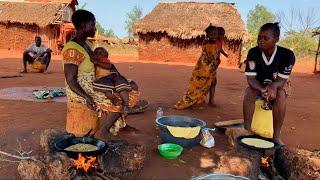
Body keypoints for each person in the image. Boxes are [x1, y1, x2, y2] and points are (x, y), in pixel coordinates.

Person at [62, 9, 139, 136]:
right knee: (120, 98)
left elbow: (98, 62)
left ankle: (121, 124)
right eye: (92, 24)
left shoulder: (85, 45)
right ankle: (104, 130)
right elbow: (70, 80)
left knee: (132, 85)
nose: (95, 28)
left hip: (96, 80)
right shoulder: (72, 49)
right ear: (82, 25)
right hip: (82, 86)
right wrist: (87, 97)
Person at [243, 22, 295, 143]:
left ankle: (276, 137)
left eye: (265, 38)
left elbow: (281, 80)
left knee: (281, 94)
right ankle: (246, 131)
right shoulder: (253, 52)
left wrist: (273, 86)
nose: (261, 40)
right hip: (259, 86)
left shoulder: (287, 55)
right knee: (248, 91)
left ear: (276, 39)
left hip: (277, 86)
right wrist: (262, 89)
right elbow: (251, 79)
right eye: (259, 37)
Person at [174, 24, 221, 109]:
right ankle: (194, 102)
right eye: (213, 33)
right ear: (208, 34)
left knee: (211, 83)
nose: (215, 35)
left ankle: (208, 100)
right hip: (205, 70)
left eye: (216, 33)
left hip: (207, 68)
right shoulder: (210, 44)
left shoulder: (210, 43)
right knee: (201, 86)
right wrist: (218, 62)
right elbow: (212, 59)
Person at [92, 47, 138, 114]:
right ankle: (114, 99)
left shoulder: (105, 61)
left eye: (101, 53)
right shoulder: (93, 63)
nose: (100, 54)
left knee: (121, 84)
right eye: (98, 53)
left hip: (114, 77)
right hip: (104, 79)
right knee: (106, 89)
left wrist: (96, 62)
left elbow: (109, 66)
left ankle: (126, 105)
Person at [208, 26, 228, 105]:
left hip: (214, 65)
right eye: (221, 34)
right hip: (210, 66)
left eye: (223, 35)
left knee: (213, 83)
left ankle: (211, 100)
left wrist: (224, 54)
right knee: (209, 83)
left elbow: (220, 49)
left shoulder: (219, 42)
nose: (222, 36)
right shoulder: (212, 42)